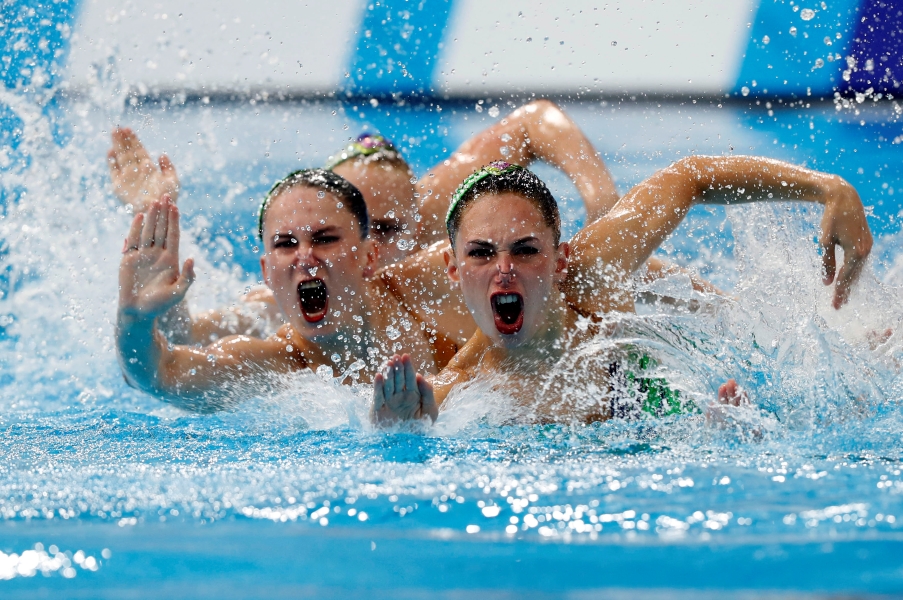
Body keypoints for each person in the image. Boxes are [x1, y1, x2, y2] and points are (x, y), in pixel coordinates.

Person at [108, 101, 716, 345]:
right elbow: (194, 336)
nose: (381, 250)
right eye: (354, 231)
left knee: (608, 273)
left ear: (423, 212)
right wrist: (154, 228)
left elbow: (533, 120)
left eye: (395, 230)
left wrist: (597, 193)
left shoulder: (445, 216)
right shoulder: (308, 284)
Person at [370, 158, 873, 425]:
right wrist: (392, 425)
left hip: (692, 378)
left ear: (560, 257)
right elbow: (415, 419)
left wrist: (832, 190)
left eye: (526, 250)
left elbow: (690, 177)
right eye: (481, 253)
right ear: (453, 269)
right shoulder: (460, 386)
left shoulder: (590, 270)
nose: (504, 270)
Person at [116, 169, 474, 411]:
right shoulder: (276, 366)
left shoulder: (430, 281)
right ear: (266, 272)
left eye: (325, 239)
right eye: (286, 243)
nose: (305, 257)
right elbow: (158, 374)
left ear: (369, 256)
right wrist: (133, 319)